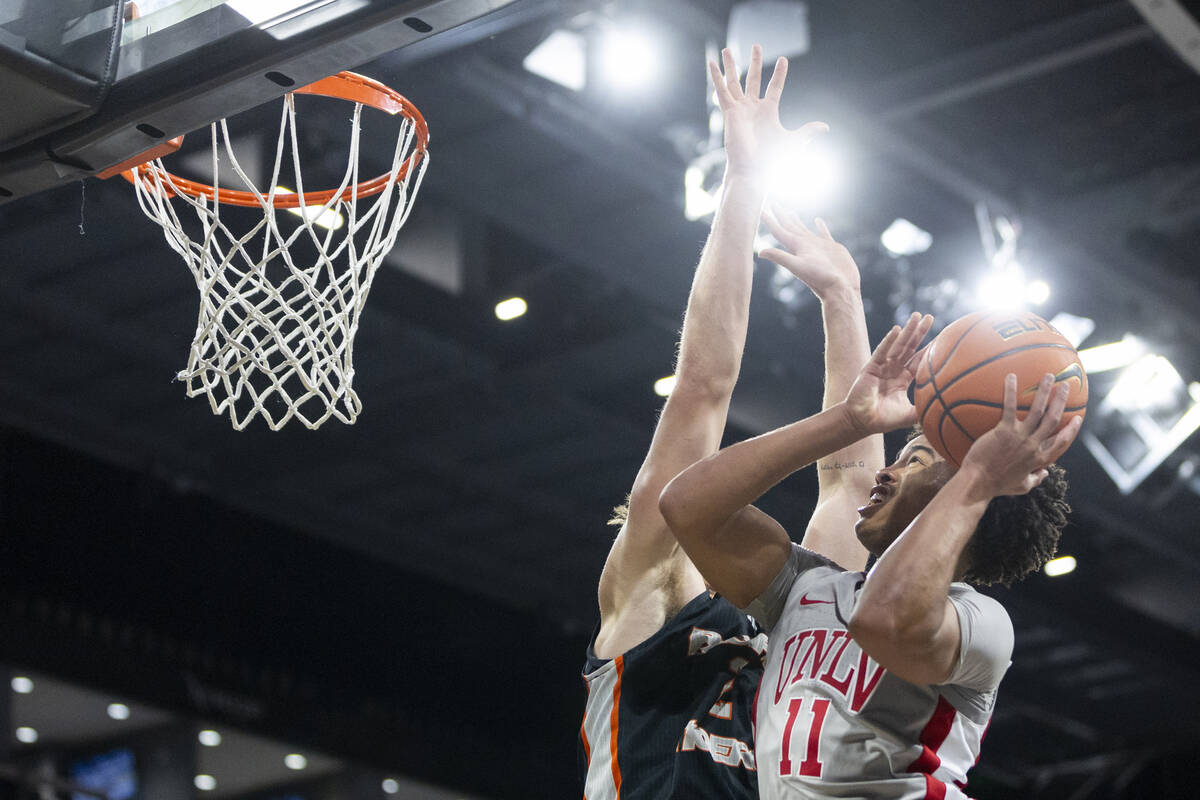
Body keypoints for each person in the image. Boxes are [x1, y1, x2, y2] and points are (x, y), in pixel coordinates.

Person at [579, 45, 883, 798]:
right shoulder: (650, 587)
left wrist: (844, 300)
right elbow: (703, 389)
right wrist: (743, 183)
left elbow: (853, 493)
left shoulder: (796, 626)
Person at [659, 313, 1081, 799]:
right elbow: (686, 506)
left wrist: (978, 480)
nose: (886, 472)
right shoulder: (808, 588)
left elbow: (882, 618)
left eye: (916, 460)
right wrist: (848, 421)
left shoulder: (982, 621)